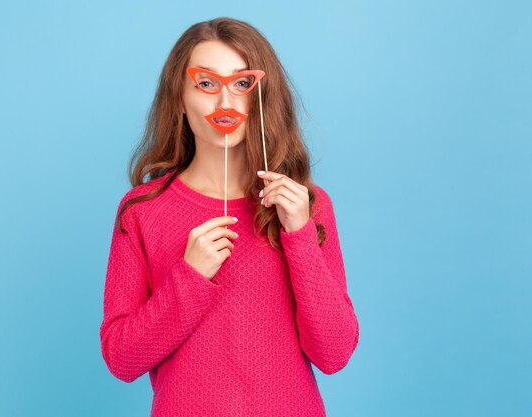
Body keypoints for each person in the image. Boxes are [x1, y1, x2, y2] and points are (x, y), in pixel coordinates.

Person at [99, 17, 359, 417]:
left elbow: (335, 353)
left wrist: (300, 235)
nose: (225, 102)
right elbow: (122, 359)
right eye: (206, 83)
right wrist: (189, 276)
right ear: (179, 98)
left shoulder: (306, 205)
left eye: (241, 84)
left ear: (262, 95)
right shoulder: (143, 211)